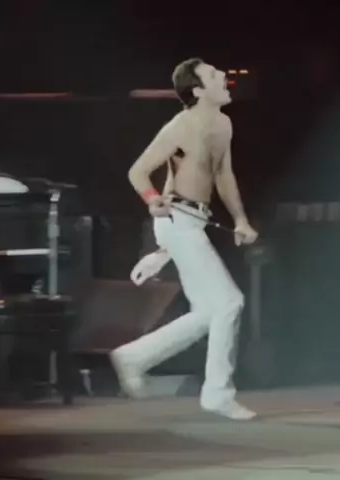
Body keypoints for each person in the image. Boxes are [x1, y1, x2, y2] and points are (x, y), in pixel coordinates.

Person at [110, 58, 259, 420]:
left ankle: (132, 358)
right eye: (214, 75)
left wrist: (240, 219)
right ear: (198, 90)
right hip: (176, 219)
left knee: (208, 312)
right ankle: (217, 393)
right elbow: (138, 171)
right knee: (230, 303)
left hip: (193, 222)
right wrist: (152, 200)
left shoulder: (223, 124)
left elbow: (223, 175)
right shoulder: (180, 126)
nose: (224, 77)